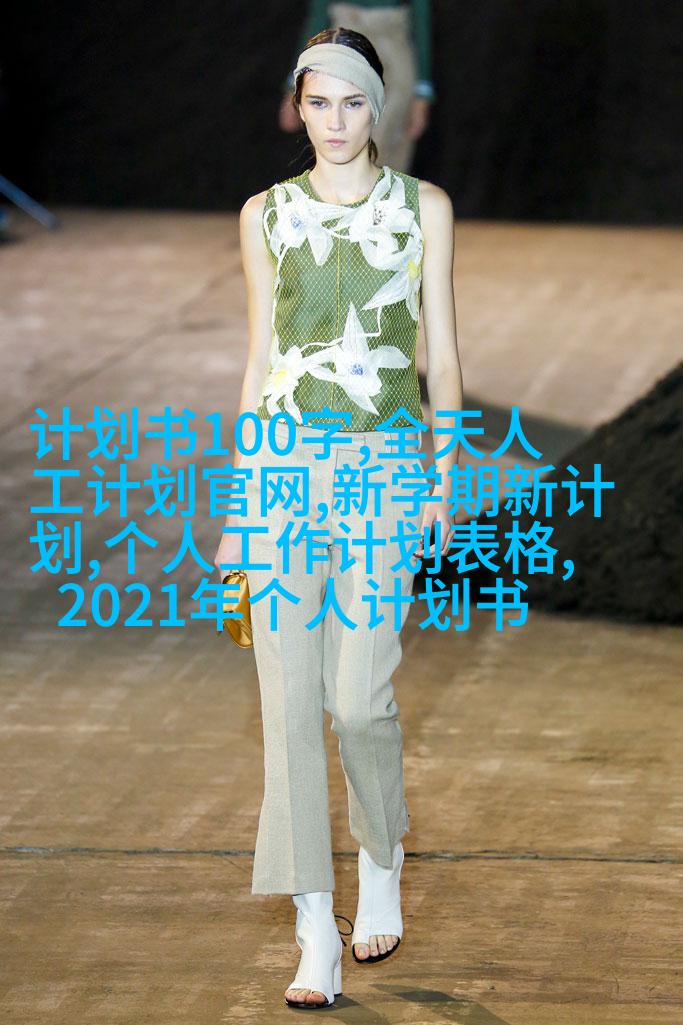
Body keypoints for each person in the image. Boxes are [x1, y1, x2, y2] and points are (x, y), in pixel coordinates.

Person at [214, 26, 462, 1010]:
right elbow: (259, 359)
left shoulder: (422, 208)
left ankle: (381, 857)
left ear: (378, 106)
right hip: (282, 467)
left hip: (384, 467)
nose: (334, 121)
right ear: (298, 106)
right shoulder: (265, 214)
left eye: (352, 101)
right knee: (287, 705)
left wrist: (444, 474)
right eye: (317, 101)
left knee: (359, 699)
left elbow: (441, 354)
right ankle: (312, 923)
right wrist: (240, 502)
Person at [278, 1, 435, 171]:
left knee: (387, 143)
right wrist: (295, 86)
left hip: (393, 47)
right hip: (342, 48)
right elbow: (318, 18)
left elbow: (421, 18)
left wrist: (422, 91)